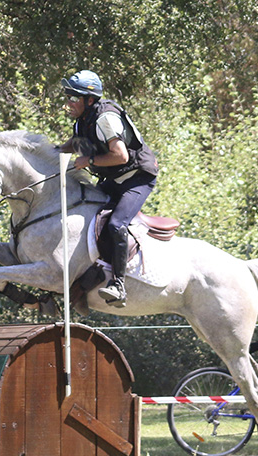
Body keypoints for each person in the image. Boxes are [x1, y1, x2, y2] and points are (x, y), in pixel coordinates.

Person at [57, 70, 159, 307]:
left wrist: (89, 162)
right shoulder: (83, 119)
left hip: (137, 178)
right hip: (115, 180)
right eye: (68, 97)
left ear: (89, 100)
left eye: (74, 98)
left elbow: (121, 156)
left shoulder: (105, 118)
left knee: (116, 225)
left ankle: (118, 284)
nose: (68, 103)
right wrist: (56, 152)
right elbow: (76, 142)